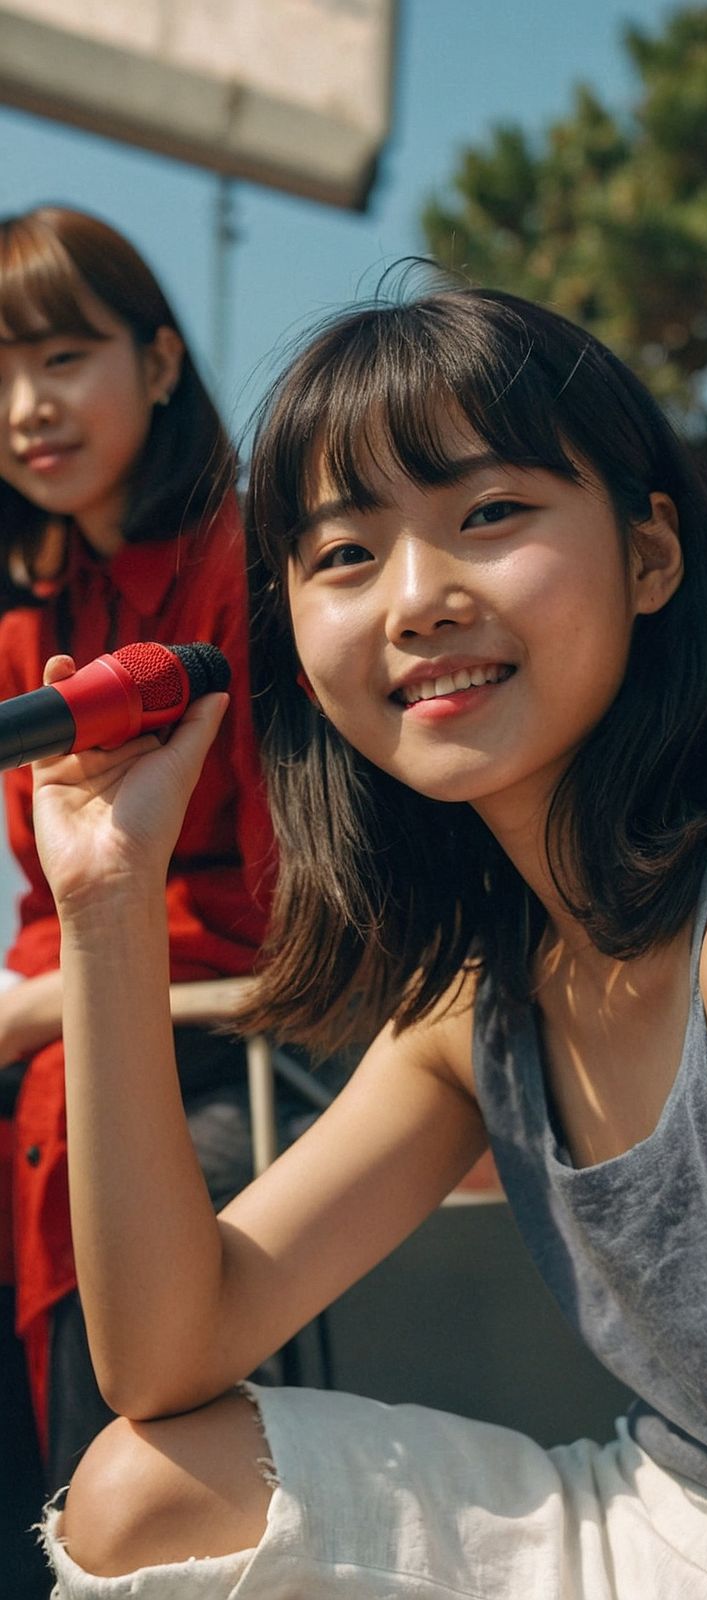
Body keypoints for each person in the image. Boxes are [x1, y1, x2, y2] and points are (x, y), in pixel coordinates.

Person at [31, 285, 707, 1599]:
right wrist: (107, 904)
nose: (417, 600)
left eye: (490, 515)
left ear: (652, 555)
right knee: (146, 1493)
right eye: (343, 555)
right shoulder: (483, 998)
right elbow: (166, 1354)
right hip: (677, 1514)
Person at [0, 207, 273, 1511]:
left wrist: (51, 1003)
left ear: (161, 362)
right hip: (63, 1046)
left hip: (257, 1041)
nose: (22, 408)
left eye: (58, 357)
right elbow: (42, 902)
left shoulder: (257, 573)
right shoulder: (28, 618)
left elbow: (287, 905)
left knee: (158, 1242)